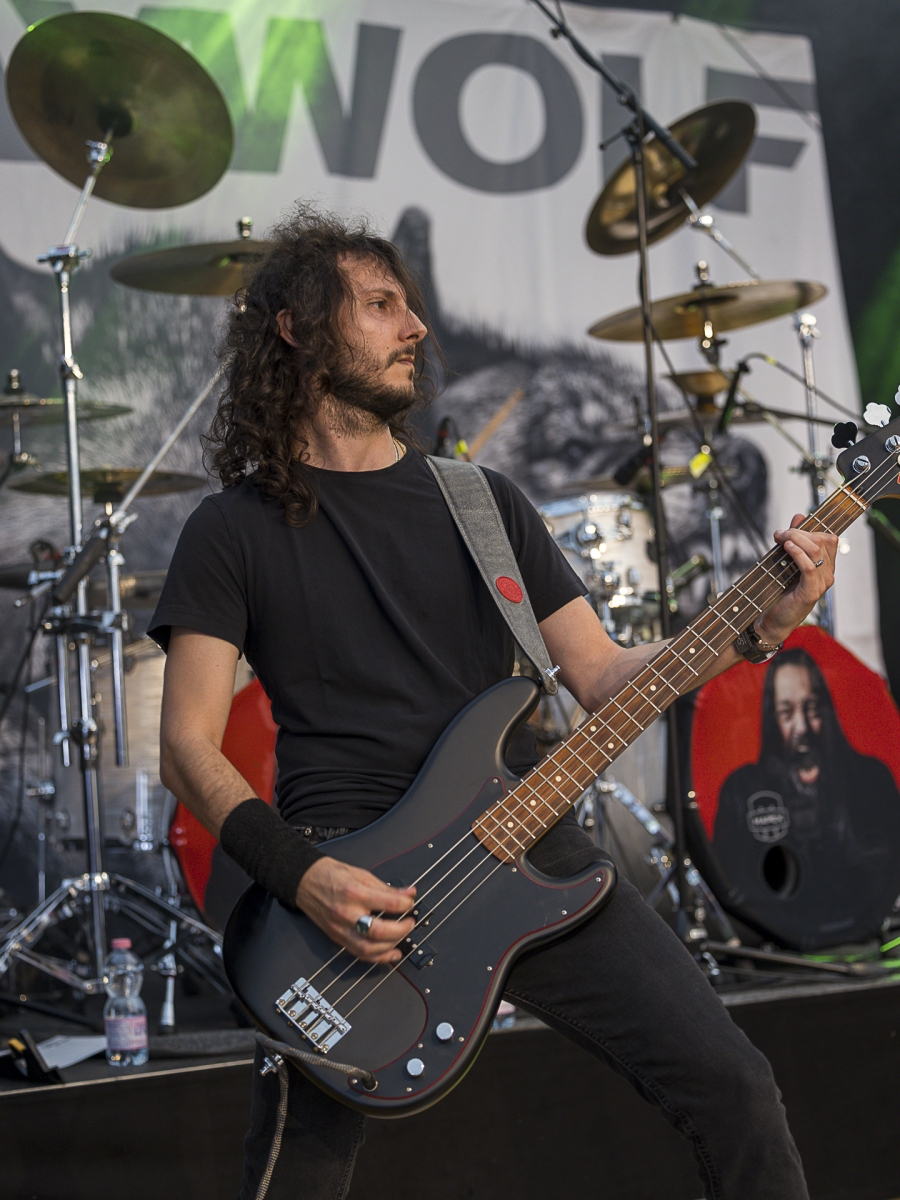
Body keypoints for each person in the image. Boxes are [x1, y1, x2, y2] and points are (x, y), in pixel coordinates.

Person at [151, 204, 838, 1200]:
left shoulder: (483, 503)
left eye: (410, 305)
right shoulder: (231, 530)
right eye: (380, 305)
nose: (416, 327)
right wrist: (304, 878)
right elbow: (186, 746)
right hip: (349, 885)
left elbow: (603, 677)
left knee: (735, 1087)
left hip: (527, 846)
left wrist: (757, 630)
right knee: (303, 1169)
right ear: (297, 329)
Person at [714, 648, 900, 946]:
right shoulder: (742, 790)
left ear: (827, 709)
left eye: (812, 708)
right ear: (771, 719)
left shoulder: (872, 778)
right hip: (772, 941)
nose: (801, 727)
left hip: (864, 929)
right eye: (787, 713)